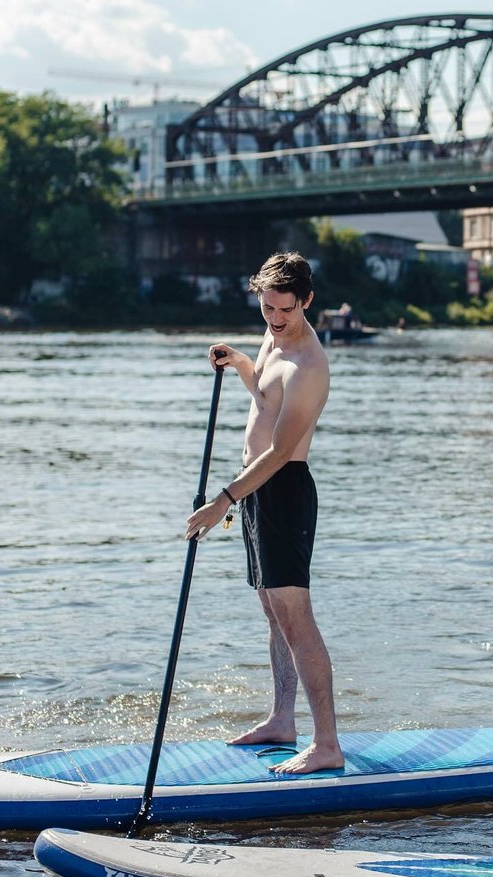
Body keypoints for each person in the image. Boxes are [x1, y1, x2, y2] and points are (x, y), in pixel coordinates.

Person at [185, 251, 344, 776]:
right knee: (273, 614)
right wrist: (241, 365)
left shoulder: (310, 364)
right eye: (267, 309)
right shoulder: (274, 338)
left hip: (283, 491)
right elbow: (262, 395)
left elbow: (279, 452)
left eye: (285, 310)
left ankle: (326, 745)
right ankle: (282, 720)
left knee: (298, 620)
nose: (275, 319)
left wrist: (221, 501)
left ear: (308, 302)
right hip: (254, 492)